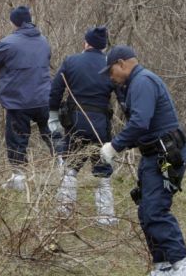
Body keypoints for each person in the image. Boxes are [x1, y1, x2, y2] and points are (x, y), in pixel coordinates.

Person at [100, 45, 186, 276]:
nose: (111, 77)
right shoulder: (135, 83)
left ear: (121, 63)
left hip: (166, 156)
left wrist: (115, 146)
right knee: (145, 209)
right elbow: (144, 128)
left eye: (111, 71)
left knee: (155, 210)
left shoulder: (142, 82)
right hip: (154, 154)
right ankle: (164, 265)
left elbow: (140, 122)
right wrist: (123, 144)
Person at [48, 26, 118, 225]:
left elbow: (55, 91)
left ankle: (65, 210)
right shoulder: (110, 65)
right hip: (100, 125)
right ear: (104, 46)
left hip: (75, 122)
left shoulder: (71, 61)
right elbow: (122, 95)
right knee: (102, 167)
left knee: (70, 165)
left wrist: (53, 115)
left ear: (86, 43)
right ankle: (106, 214)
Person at [0, 5, 52, 191]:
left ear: (14, 22)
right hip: (44, 98)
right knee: (51, 135)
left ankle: (19, 178)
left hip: (19, 101)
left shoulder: (10, 42)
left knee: (17, 139)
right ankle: (65, 171)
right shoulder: (44, 41)